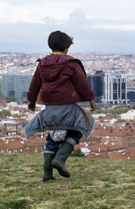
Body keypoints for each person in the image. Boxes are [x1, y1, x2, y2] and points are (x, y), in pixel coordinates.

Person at [25, 31, 96, 181]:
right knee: (76, 131)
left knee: (52, 137)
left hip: (49, 107)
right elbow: (82, 83)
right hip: (67, 106)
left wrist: (31, 101)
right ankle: (60, 159)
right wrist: (90, 99)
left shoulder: (43, 63)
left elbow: (35, 84)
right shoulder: (70, 63)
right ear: (66, 47)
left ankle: (47, 172)